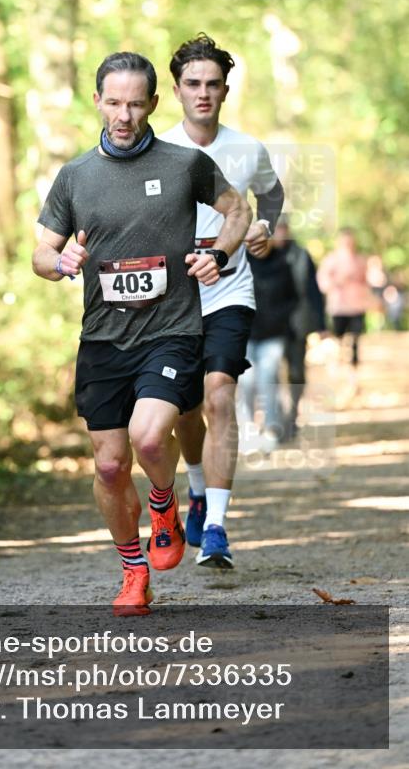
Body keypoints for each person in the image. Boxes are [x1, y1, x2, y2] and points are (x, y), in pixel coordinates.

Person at [32, 51, 251, 616]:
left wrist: (219, 255)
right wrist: (61, 262)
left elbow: (237, 211)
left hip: (171, 331)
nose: (124, 115)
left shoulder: (184, 164)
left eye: (135, 103)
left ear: (154, 103)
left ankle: (163, 502)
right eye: (113, 102)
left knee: (151, 437)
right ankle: (133, 572)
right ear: (98, 101)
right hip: (103, 339)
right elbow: (39, 252)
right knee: (108, 465)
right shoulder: (76, 176)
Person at [160, 33, 284, 569]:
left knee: (219, 395)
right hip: (174, 299)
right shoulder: (157, 149)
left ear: (225, 90)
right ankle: (195, 488)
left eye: (213, 84)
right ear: (176, 90)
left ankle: (215, 528)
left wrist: (262, 225)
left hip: (231, 287)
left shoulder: (247, 148)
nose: (203, 93)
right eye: (193, 84)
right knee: (185, 410)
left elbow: (273, 195)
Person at [237, 243, 298, 450]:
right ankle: (248, 431)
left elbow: (293, 297)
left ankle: (271, 429)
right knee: (246, 382)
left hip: (274, 334)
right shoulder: (239, 260)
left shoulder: (282, 262)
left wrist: (279, 318)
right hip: (246, 333)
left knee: (267, 380)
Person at [272, 216, 326, 439]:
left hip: (297, 324)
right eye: (277, 229)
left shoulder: (301, 255)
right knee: (270, 373)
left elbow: (314, 291)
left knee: (296, 372)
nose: (281, 233)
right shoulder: (260, 256)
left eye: (284, 228)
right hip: (269, 326)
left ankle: (292, 416)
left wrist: (321, 324)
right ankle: (275, 419)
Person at [317, 228, 370, 367]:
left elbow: (366, 283)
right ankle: (338, 366)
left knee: (355, 341)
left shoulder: (360, 260)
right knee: (338, 340)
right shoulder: (330, 260)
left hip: (357, 307)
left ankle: (353, 374)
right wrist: (338, 281)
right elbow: (323, 284)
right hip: (338, 308)